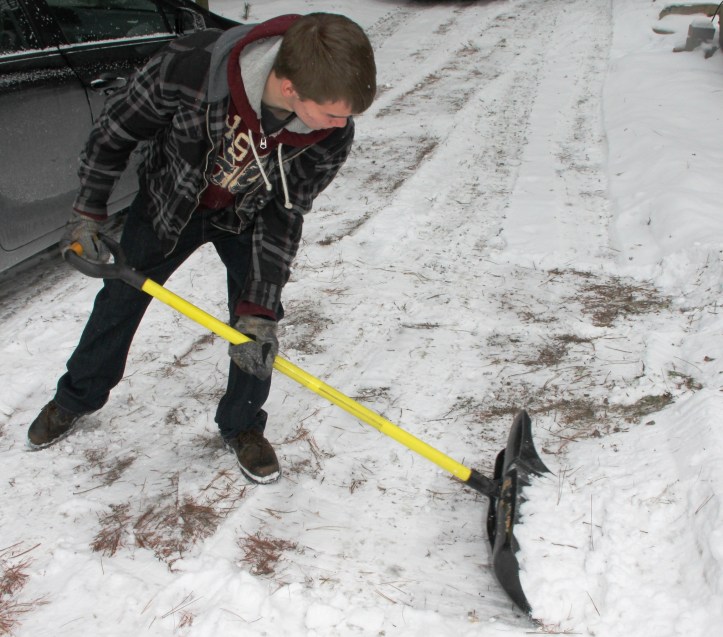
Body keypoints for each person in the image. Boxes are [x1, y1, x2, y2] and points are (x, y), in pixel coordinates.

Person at [26, 13, 377, 485]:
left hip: (249, 216)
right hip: (169, 203)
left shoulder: (331, 136)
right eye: (334, 112)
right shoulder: (191, 69)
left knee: (257, 327)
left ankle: (243, 424)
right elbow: (115, 133)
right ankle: (75, 397)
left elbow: (286, 212)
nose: (342, 124)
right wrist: (89, 211)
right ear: (290, 87)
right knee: (120, 299)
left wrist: (258, 305)